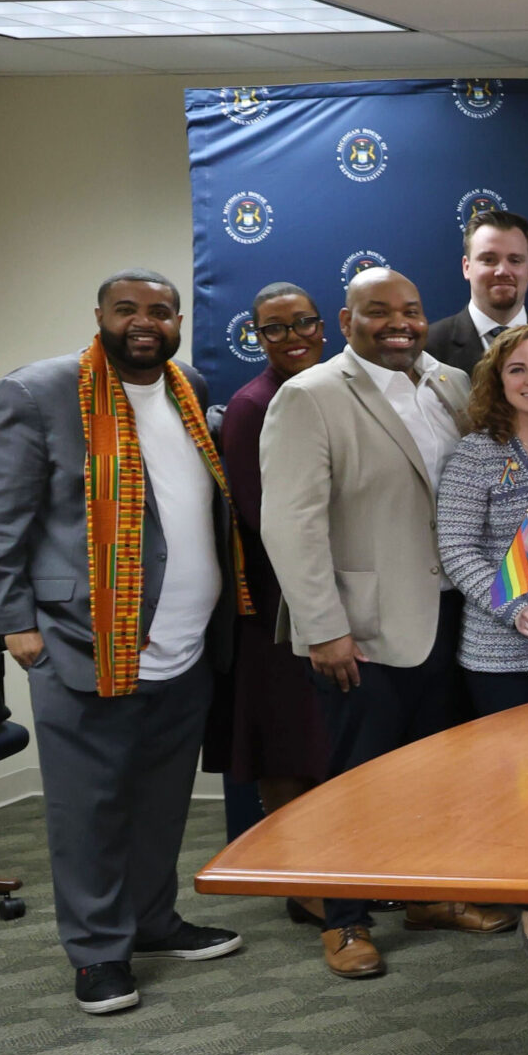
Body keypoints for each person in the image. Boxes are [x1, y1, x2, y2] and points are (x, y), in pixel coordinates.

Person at [0, 269, 248, 1014]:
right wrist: (14, 623)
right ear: (100, 316)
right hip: (79, 642)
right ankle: (96, 952)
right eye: (128, 309)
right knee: (88, 809)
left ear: (180, 321)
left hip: (184, 647)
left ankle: (152, 921)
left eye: (160, 310)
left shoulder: (185, 386)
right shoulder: (35, 394)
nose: (144, 322)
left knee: (160, 801)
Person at [262, 268, 519, 980]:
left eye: (410, 309)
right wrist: (323, 626)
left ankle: (429, 894)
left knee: (438, 772)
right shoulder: (309, 396)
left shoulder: (451, 384)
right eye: (378, 312)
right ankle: (344, 919)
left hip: (450, 615)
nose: (397, 322)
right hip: (362, 628)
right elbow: (292, 524)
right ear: (346, 319)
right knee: (354, 781)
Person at [219, 283, 332, 850]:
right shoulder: (251, 405)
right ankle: (301, 881)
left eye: (303, 322)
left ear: (324, 325)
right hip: (278, 605)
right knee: (287, 743)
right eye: (275, 328)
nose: (293, 337)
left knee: (325, 740)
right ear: (257, 336)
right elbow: (264, 518)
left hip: (338, 594)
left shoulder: (336, 389)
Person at [437, 325, 528, 716]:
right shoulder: (476, 454)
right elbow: (456, 548)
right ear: (498, 381)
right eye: (517, 370)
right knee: (519, 775)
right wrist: (513, 607)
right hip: (501, 657)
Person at [424, 209, 528, 370]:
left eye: (515, 260)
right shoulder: (428, 347)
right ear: (467, 267)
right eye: (488, 260)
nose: (502, 271)